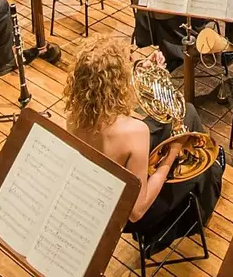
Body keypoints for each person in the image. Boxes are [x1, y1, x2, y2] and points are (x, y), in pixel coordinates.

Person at [63, 36, 223, 253]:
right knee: (189, 118)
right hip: (128, 215)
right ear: (117, 82)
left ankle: (208, 175)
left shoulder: (75, 117)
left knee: (183, 114)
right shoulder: (135, 132)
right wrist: (172, 154)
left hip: (99, 196)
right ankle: (206, 193)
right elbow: (137, 211)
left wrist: (145, 71)